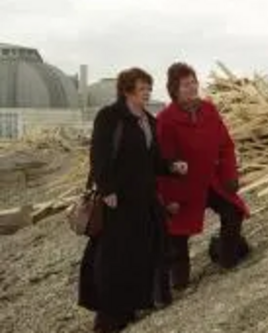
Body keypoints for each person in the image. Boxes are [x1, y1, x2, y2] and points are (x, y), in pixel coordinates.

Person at [78, 67, 187, 333]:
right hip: (118, 202)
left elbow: (153, 161)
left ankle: (134, 305)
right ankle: (109, 318)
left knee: (146, 252)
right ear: (127, 91)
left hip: (145, 200)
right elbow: (99, 156)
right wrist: (107, 190)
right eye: (142, 89)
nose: (147, 94)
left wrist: (172, 166)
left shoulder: (148, 120)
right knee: (114, 258)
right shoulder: (110, 117)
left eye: (149, 89)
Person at [156, 62, 251, 291]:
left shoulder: (209, 110)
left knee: (233, 211)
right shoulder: (166, 119)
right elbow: (162, 162)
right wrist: (169, 199)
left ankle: (228, 260)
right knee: (178, 235)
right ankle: (178, 282)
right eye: (185, 84)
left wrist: (229, 175)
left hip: (211, 180)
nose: (191, 88)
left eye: (193, 82)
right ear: (174, 89)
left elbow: (225, 145)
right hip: (182, 187)